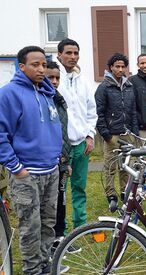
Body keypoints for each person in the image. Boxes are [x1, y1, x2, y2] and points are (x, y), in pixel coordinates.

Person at [0, 46, 62, 275]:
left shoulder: (47, 93)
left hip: (51, 170)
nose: (40, 69)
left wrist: (57, 159)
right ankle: (32, 273)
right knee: (30, 225)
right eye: (34, 64)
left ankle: (44, 262)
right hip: (26, 174)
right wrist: (17, 168)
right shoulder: (9, 94)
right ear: (21, 66)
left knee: (48, 222)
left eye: (43, 65)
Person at [56, 38, 97, 229]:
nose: (73, 57)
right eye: (68, 53)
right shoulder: (54, 80)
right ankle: (60, 229)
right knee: (60, 190)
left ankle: (80, 226)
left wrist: (90, 135)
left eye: (76, 53)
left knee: (79, 187)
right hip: (61, 146)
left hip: (81, 143)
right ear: (59, 55)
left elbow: (91, 111)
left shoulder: (84, 82)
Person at [95, 53, 139, 211]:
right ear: (111, 67)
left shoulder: (128, 86)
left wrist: (134, 132)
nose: (120, 69)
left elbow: (133, 111)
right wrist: (105, 134)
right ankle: (111, 195)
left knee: (126, 166)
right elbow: (98, 113)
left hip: (127, 133)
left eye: (123, 67)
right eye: (117, 66)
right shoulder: (104, 87)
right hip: (112, 134)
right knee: (110, 167)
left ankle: (124, 192)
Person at [45, 61, 80, 254]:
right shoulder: (42, 100)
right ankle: (49, 242)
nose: (55, 81)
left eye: (57, 78)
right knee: (50, 205)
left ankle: (60, 238)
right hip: (48, 163)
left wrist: (65, 161)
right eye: (50, 77)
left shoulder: (58, 99)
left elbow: (63, 134)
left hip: (62, 160)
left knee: (61, 200)